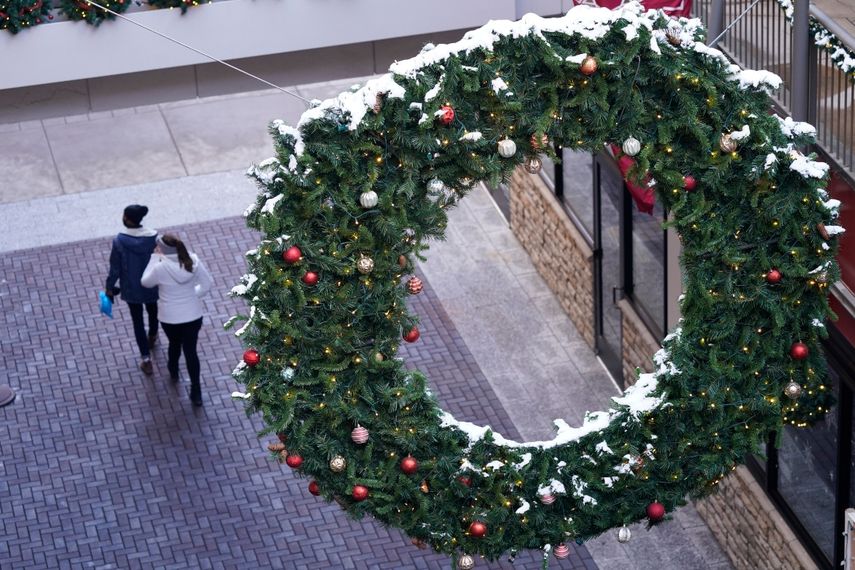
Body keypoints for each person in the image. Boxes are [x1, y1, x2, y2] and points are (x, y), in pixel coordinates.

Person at [141, 233, 212, 407]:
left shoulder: (159, 267)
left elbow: (145, 282)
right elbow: (207, 284)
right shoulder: (193, 261)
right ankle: (196, 391)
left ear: (162, 250)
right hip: (193, 316)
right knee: (191, 351)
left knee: (174, 343)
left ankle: (173, 370)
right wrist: (191, 296)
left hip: (169, 317)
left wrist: (153, 259)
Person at [105, 204, 159, 375]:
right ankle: (153, 335)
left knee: (137, 322)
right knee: (153, 311)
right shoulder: (153, 237)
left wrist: (109, 287)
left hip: (131, 288)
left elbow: (115, 268)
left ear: (127, 219)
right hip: (152, 284)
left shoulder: (119, 241)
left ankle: (146, 359)